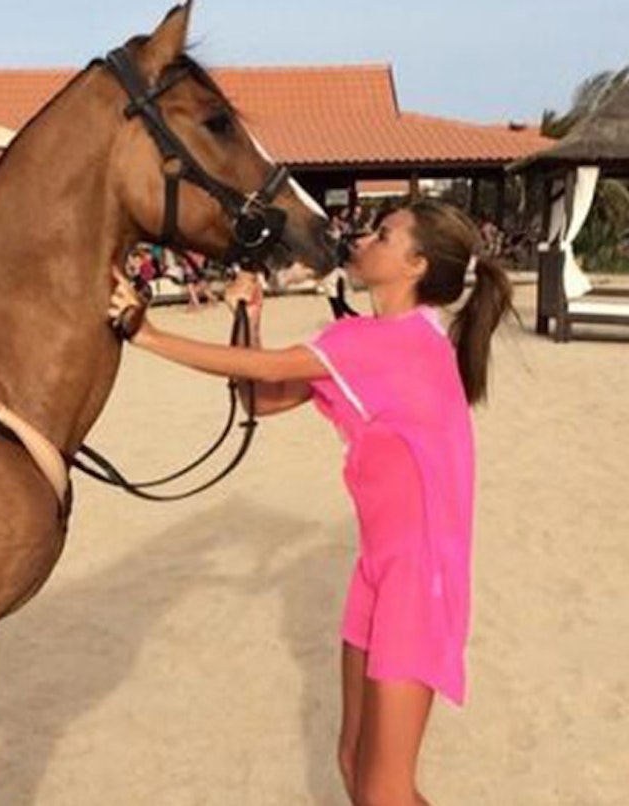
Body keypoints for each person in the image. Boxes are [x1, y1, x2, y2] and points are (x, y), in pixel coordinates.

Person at [108, 199, 515, 806]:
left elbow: (267, 369)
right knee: (353, 763)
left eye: (385, 235)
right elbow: (261, 399)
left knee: (383, 792)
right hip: (377, 571)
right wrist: (248, 312)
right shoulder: (365, 339)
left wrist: (148, 334)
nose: (366, 240)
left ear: (416, 265)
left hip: (418, 580)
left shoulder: (399, 344)